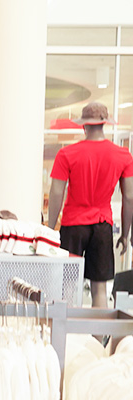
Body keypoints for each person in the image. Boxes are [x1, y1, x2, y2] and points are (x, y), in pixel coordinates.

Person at [47, 101, 133, 308]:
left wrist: (49, 230)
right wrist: (125, 234)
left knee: (67, 286)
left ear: (83, 125)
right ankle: (97, 330)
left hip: (73, 225)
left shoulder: (67, 154)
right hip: (102, 225)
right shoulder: (123, 155)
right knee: (99, 289)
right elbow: (129, 197)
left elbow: (57, 192)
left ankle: (66, 328)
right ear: (104, 124)